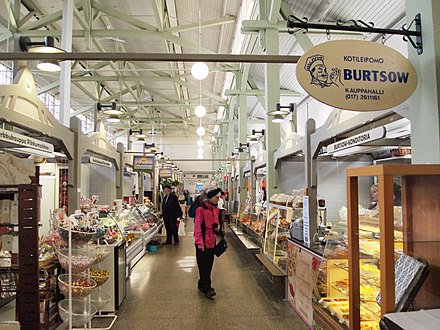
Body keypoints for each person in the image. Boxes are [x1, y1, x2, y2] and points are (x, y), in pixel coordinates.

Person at [194, 188, 222, 298]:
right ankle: (207, 288)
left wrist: (217, 227)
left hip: (212, 242)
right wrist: (199, 243)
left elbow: (217, 224)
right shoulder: (200, 210)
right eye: (216, 198)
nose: (218, 200)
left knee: (209, 265)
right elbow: (197, 228)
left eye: (219, 198)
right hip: (202, 242)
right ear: (210, 198)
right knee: (203, 266)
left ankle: (202, 284)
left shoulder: (216, 209)